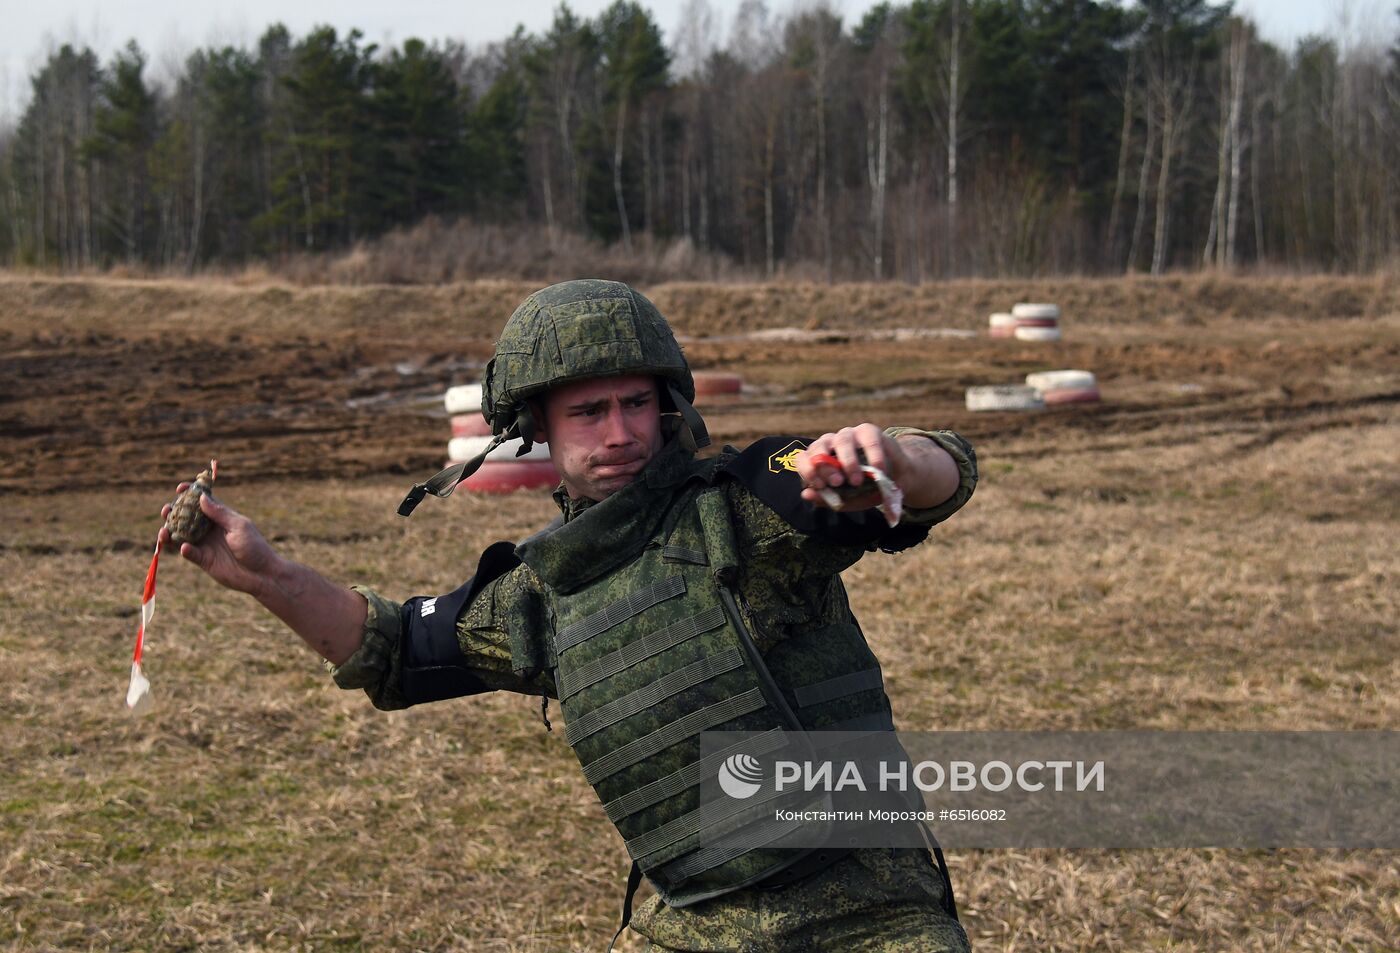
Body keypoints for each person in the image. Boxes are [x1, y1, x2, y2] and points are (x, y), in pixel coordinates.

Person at [162, 279, 978, 952]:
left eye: (635, 404)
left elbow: (930, 480)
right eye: (589, 412)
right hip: (693, 924)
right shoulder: (542, 593)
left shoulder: (752, 507)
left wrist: (897, 459)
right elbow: (396, 649)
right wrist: (265, 574)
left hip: (867, 911)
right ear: (537, 429)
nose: (620, 432)